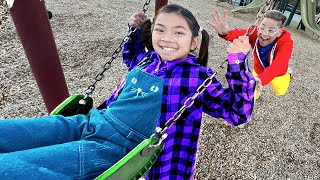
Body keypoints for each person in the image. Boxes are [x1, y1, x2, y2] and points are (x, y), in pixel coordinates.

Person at [0, 4, 255, 180]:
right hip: (90, 122)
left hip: (116, 148)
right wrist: (136, 29)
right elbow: (131, 56)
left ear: (194, 42)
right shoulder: (148, 60)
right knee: (12, 132)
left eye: (179, 33)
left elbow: (237, 112)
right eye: (159, 29)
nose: (166, 38)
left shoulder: (196, 77)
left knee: (10, 168)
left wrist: (237, 64)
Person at [209, 10, 294, 100]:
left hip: (278, 73)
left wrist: (261, 79)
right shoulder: (255, 32)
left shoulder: (286, 43)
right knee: (250, 96)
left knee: (280, 91)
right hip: (259, 69)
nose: (264, 33)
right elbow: (241, 35)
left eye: (271, 31)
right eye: (262, 28)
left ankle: (288, 74)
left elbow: (278, 65)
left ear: (279, 32)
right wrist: (226, 33)